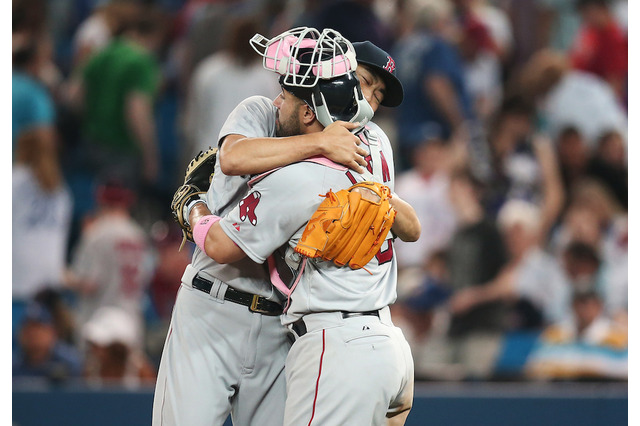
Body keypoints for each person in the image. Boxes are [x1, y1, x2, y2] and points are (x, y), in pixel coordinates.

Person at [153, 28, 418, 426]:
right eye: (361, 83)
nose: (365, 100)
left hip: (285, 326)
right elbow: (233, 157)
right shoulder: (263, 111)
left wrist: (195, 207)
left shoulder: (363, 145)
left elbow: (223, 241)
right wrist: (321, 143)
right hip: (213, 305)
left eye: (375, 94)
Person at [68, 179, 154, 354]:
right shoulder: (138, 235)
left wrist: (63, 276)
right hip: (132, 324)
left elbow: (89, 284)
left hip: (99, 327)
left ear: (101, 201)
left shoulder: (97, 232)